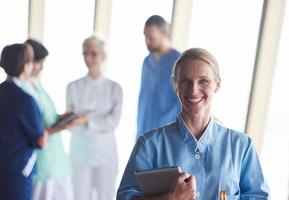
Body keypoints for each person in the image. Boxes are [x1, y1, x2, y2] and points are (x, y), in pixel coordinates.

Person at [117, 48, 270, 199]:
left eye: (203, 81)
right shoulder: (149, 145)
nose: (194, 90)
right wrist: (170, 198)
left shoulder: (241, 147)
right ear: (175, 84)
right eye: (185, 81)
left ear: (217, 84)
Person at [24, 39, 88, 200]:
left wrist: (65, 116)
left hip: (57, 159)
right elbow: (36, 130)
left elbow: (48, 117)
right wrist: (66, 126)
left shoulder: (36, 85)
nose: (42, 67)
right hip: (43, 161)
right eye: (39, 63)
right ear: (28, 62)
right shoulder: (23, 92)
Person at [66, 35, 123, 200]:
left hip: (105, 154)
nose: (89, 58)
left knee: (105, 196)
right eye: (85, 54)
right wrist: (80, 121)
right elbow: (71, 121)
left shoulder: (114, 88)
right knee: (80, 196)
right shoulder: (72, 87)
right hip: (80, 154)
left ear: (103, 56)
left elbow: (113, 121)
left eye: (94, 53)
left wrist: (86, 120)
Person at [0, 43, 48, 200]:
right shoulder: (25, 99)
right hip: (18, 170)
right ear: (25, 65)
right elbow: (39, 140)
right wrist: (47, 133)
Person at [136, 15, 181, 139]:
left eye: (151, 37)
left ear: (165, 33)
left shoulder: (180, 62)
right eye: (145, 36)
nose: (147, 41)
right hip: (144, 132)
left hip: (168, 135)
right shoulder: (147, 62)